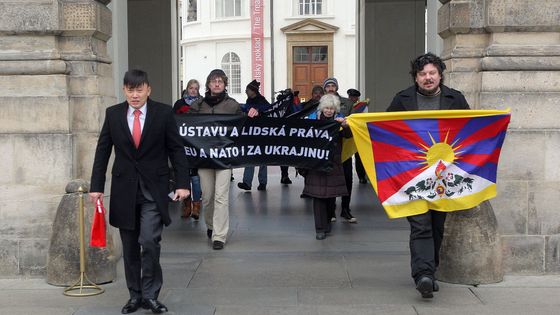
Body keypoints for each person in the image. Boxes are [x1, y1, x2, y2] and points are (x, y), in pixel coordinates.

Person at [90, 69, 190, 314]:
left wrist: (182, 183)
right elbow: (103, 150)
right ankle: (134, 296)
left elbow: (176, 150)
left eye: (139, 89)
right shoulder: (113, 115)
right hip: (125, 190)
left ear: (148, 89)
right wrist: (96, 187)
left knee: (149, 241)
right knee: (130, 246)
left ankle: (151, 294)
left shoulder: (164, 113)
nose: (134, 95)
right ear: (124, 90)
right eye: (130, 90)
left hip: (153, 191)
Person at [387, 52, 470, 299]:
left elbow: (470, 131)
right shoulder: (401, 100)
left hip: (445, 175)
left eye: (432, 73)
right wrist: (354, 122)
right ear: (415, 77)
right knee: (420, 224)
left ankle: (429, 271)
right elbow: (383, 128)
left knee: (437, 225)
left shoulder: (456, 99)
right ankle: (423, 275)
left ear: (440, 75)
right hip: (412, 175)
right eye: (422, 74)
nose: (427, 78)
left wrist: (496, 124)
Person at [189, 69, 256, 250]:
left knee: (221, 196)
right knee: (208, 197)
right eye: (213, 81)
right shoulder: (198, 105)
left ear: (225, 84)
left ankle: (220, 235)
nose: (217, 84)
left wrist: (251, 117)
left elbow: (242, 128)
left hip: (225, 158)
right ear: (209, 84)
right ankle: (211, 225)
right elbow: (187, 127)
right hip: (204, 158)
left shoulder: (232, 105)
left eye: (220, 81)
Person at [301, 94, 351, 240]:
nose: (329, 111)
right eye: (326, 108)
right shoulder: (313, 122)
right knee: (318, 197)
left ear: (335, 109)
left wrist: (345, 126)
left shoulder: (339, 122)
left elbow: (348, 136)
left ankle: (327, 223)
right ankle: (320, 228)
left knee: (330, 197)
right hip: (316, 163)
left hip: (333, 163)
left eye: (331, 108)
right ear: (322, 108)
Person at [323, 77, 357, 223]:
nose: (331, 88)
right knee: (329, 181)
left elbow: (355, 122)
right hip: (326, 151)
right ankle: (331, 211)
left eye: (333, 86)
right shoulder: (319, 104)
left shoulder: (348, 103)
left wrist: (346, 124)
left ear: (336, 87)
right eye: (328, 86)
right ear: (325, 88)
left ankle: (345, 209)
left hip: (344, 148)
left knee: (347, 179)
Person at [173, 79, 203, 220]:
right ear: (187, 89)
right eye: (191, 88)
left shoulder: (202, 103)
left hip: (196, 145)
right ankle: (186, 205)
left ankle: (196, 205)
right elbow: (172, 121)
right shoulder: (179, 104)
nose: (193, 90)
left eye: (195, 88)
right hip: (182, 144)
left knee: (196, 178)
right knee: (184, 175)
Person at [238, 80, 270, 191]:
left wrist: (257, 110)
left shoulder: (261, 101)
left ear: (253, 91)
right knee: (252, 156)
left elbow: (268, 110)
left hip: (261, 133)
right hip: (252, 132)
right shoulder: (250, 100)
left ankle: (261, 182)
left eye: (247, 89)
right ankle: (248, 182)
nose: (245, 91)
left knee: (261, 158)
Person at [347, 88, 367, 184]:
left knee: (359, 156)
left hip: (358, 132)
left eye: (354, 97)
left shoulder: (362, 107)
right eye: (351, 96)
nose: (352, 98)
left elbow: (364, 119)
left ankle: (361, 176)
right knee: (346, 155)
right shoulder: (346, 105)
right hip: (347, 133)